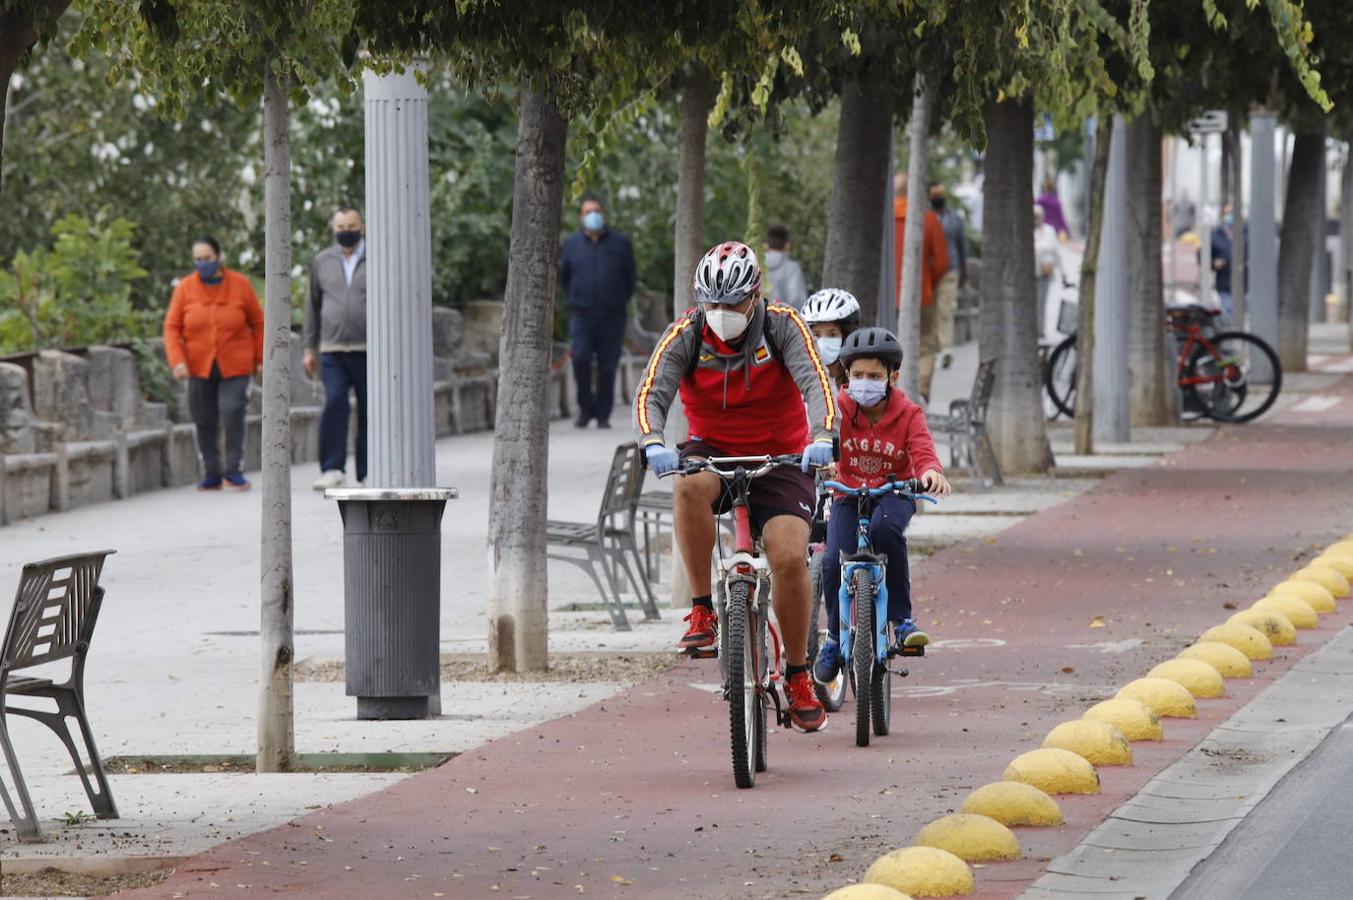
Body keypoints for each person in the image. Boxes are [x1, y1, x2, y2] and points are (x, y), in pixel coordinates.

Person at [634, 241, 838, 733]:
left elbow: (818, 384)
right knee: (686, 486)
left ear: (755, 296)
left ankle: (796, 675)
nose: (721, 314)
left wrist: (823, 436)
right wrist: (652, 440)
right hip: (712, 449)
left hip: (783, 456)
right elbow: (652, 391)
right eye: (713, 304)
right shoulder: (686, 332)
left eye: (733, 305)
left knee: (789, 558)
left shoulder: (785, 325)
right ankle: (702, 611)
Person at [812, 327, 952, 687]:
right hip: (847, 491)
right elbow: (817, 434)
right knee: (831, 561)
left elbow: (922, 450)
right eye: (857, 375)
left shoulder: (908, 413)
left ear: (893, 376)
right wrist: (817, 456)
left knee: (886, 530)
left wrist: (931, 472)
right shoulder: (838, 407)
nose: (864, 383)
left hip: (895, 491)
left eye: (874, 376)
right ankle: (832, 638)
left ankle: (902, 621)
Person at [163, 235, 264, 492]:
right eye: (197, 259)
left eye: (207, 259)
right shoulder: (185, 288)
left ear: (218, 257)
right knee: (203, 417)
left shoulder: (240, 284)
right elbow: (172, 327)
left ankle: (234, 470)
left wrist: (261, 358)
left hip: (236, 364)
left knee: (232, 412)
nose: (202, 264)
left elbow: (259, 323)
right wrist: (177, 361)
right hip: (198, 365)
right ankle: (211, 472)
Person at [559, 194, 637, 429]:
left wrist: (618, 299)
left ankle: (603, 414)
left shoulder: (620, 243)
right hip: (582, 314)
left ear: (602, 214)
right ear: (581, 217)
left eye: (596, 211)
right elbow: (565, 277)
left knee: (608, 364)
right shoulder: (571, 245)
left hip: (612, 314)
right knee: (580, 358)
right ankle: (585, 409)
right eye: (587, 212)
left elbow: (630, 277)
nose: (593, 216)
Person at [304, 207, 368, 490]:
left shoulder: (377, 256)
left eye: (351, 225)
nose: (346, 231)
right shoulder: (322, 261)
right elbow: (312, 306)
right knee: (334, 404)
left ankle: (369, 470)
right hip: (332, 349)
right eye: (341, 226)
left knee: (371, 409)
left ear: (362, 226)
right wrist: (309, 347)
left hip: (369, 349)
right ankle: (332, 467)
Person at [892, 172, 949, 402]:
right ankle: (921, 392)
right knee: (925, 345)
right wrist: (929, 283)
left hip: (888, 297)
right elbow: (943, 262)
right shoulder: (928, 219)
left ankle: (893, 392)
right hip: (921, 295)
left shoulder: (883, 219)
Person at [928, 182, 968, 370]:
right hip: (929, 271)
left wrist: (964, 273)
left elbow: (962, 246)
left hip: (949, 271)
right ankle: (935, 348)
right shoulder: (925, 219)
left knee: (946, 309)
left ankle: (945, 348)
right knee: (932, 311)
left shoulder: (955, 220)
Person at [800, 287, 861, 388]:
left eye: (832, 335)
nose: (823, 342)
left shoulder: (859, 386)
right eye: (816, 335)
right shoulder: (800, 382)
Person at [1034, 206, 1063, 341]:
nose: (1036, 219)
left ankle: (1040, 330)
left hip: (1044, 272)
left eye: (1038, 216)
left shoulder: (1049, 231)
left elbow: (1055, 250)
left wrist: (1063, 272)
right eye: (1034, 216)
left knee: (1041, 302)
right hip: (1030, 272)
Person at [763, 224, 808, 308]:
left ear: (765, 245)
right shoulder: (792, 268)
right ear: (787, 245)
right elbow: (797, 299)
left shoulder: (755, 266)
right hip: (783, 319)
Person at [1211, 203, 1236, 320]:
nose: (1230, 216)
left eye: (1232, 213)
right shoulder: (1216, 235)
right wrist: (1214, 263)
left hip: (1246, 284)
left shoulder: (1247, 232)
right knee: (1228, 315)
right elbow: (1204, 255)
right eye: (1227, 213)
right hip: (1225, 283)